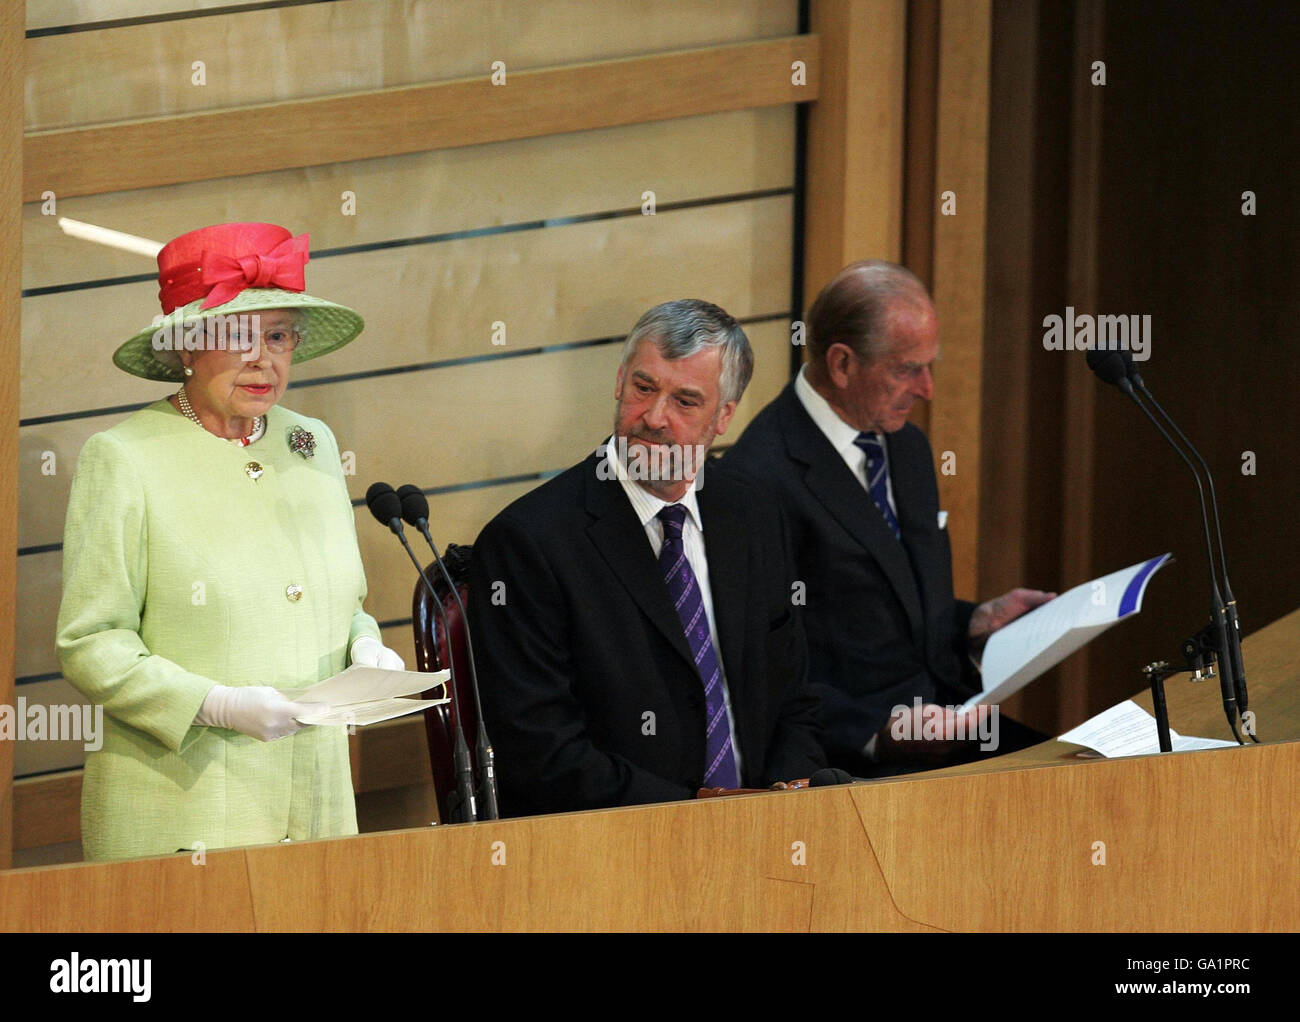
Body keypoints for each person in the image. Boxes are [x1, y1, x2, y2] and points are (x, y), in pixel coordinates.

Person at [56, 222, 405, 861]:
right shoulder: (124, 458)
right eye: (236, 335)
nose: (262, 358)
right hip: (183, 818)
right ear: (186, 348)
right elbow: (91, 643)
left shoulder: (314, 442)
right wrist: (212, 705)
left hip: (317, 809)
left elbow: (336, 598)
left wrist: (364, 644)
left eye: (277, 336)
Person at [468, 299, 825, 817]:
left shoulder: (752, 511)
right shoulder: (529, 543)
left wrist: (785, 800)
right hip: (616, 844)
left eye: (685, 401)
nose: (655, 418)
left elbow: (794, 699)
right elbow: (542, 755)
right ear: (618, 382)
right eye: (644, 388)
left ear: (724, 415)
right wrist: (699, 812)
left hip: (766, 828)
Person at [724, 261, 1054, 774]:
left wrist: (973, 622)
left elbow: (883, 602)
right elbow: (756, 664)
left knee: (1098, 776)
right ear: (842, 364)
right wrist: (877, 736)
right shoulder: (758, 478)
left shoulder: (906, 446)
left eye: (929, 366)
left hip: (950, 723)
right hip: (854, 760)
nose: (927, 389)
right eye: (907, 369)